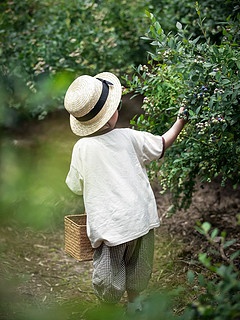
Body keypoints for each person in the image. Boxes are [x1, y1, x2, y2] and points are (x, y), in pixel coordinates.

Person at [64, 72, 188, 313]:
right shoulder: (130, 137)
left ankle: (109, 310)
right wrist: (181, 120)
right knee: (139, 268)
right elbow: (162, 143)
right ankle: (135, 305)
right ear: (112, 115)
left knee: (108, 276)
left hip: (110, 227)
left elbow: (75, 187)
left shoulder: (81, 148)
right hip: (140, 219)